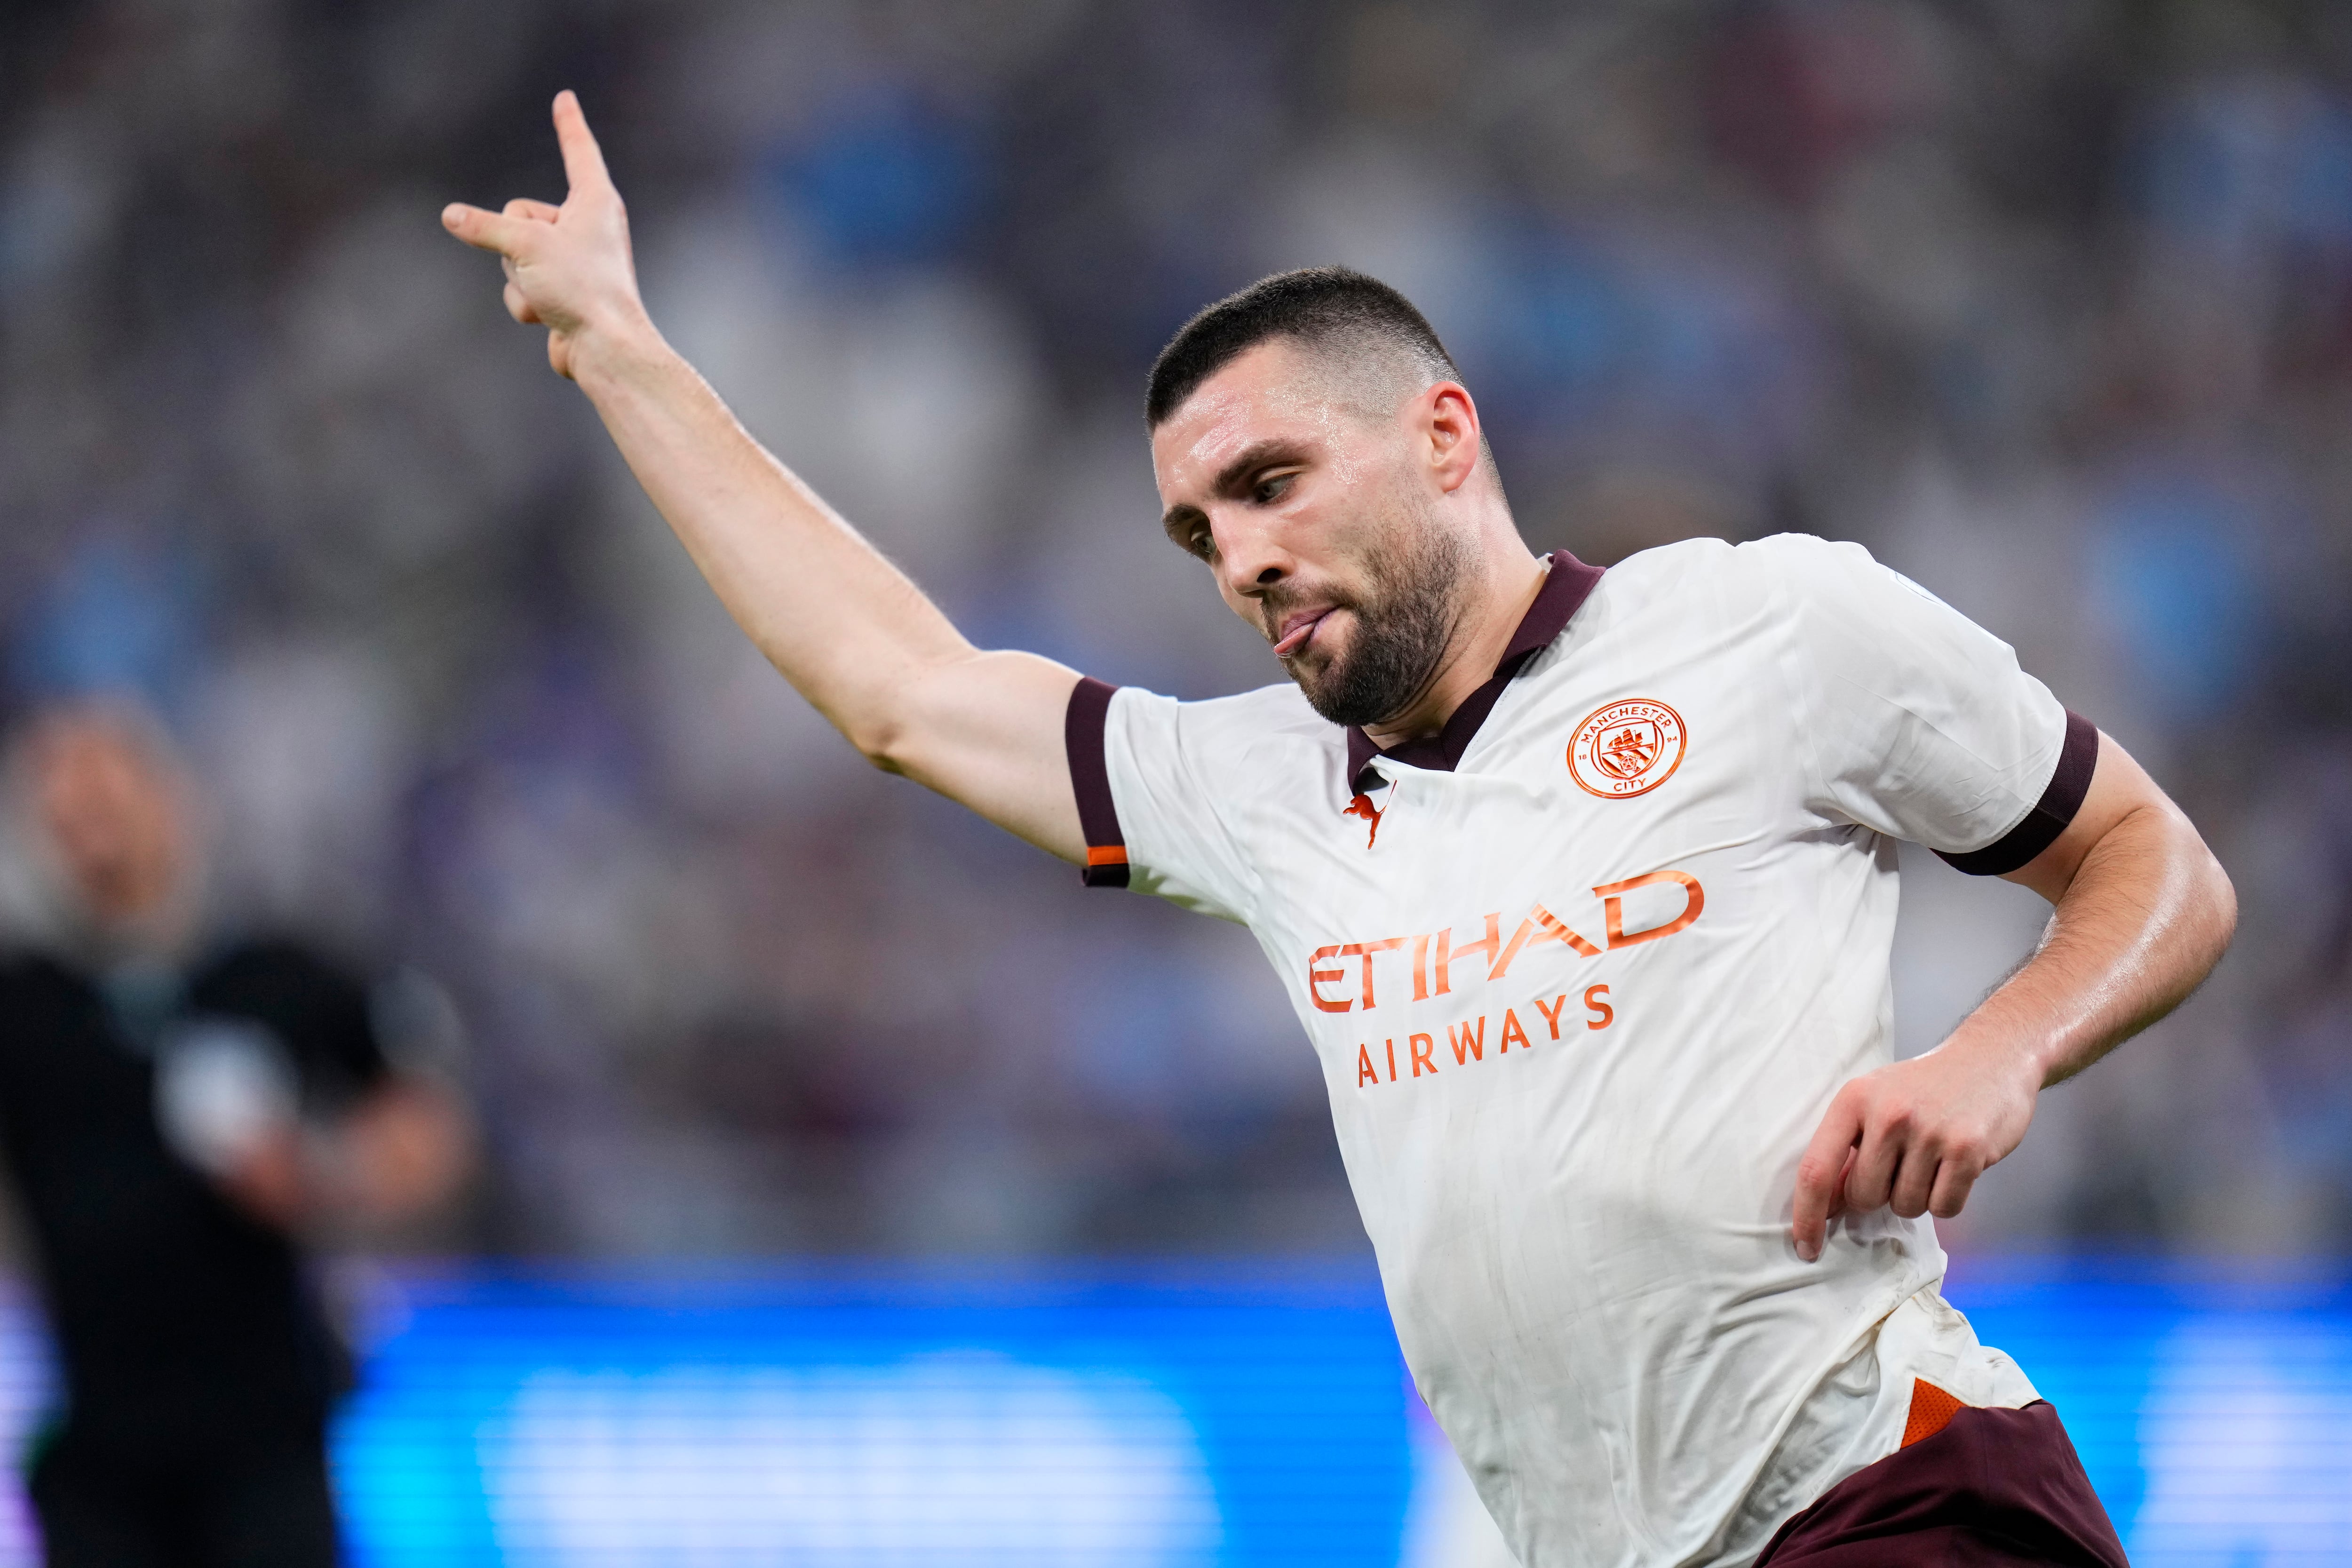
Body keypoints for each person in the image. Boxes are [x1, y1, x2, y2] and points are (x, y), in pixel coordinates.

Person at [441, 94, 2235, 1566]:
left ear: (1445, 435)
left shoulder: (1772, 629)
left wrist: (2001, 1052)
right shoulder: (1258, 793)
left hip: (1891, 1491)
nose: (1238, 559)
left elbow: (2158, 867)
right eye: (1198, 531)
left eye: (1270, 483)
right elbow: (901, 692)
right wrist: (619, 350)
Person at [0, 702, 472, 1568]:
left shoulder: (269, 976)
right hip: (105, 1449)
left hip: (263, 1446)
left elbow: (424, 1121)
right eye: (63, 811)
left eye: (107, 796)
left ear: (170, 801)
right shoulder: (30, 1006)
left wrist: (321, 1175)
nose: (87, 829)